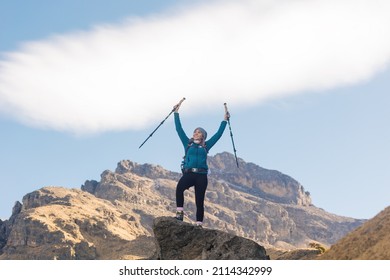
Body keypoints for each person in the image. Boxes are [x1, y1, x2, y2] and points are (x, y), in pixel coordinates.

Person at [173, 102, 229, 227]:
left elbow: (218, 134)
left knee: (199, 200)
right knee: (179, 188)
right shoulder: (187, 143)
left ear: (203, 135)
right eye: (194, 132)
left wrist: (224, 120)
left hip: (201, 176)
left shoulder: (206, 145)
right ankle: (179, 214)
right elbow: (179, 129)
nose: (195, 133)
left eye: (198, 132)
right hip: (189, 173)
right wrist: (176, 113)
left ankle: (199, 224)